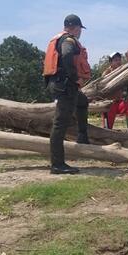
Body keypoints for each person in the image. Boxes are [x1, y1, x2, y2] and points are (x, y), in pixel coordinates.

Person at [42, 14, 92, 174]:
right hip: (64, 85)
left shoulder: (59, 38)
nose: (80, 32)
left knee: (82, 101)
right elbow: (67, 54)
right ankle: (57, 164)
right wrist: (74, 76)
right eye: (80, 29)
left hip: (59, 84)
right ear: (75, 27)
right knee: (60, 124)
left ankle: (82, 135)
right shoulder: (68, 40)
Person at [101, 51, 128, 135]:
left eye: (119, 60)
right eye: (115, 60)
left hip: (119, 102)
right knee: (107, 129)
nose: (118, 62)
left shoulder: (122, 71)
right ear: (111, 62)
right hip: (109, 103)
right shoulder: (107, 73)